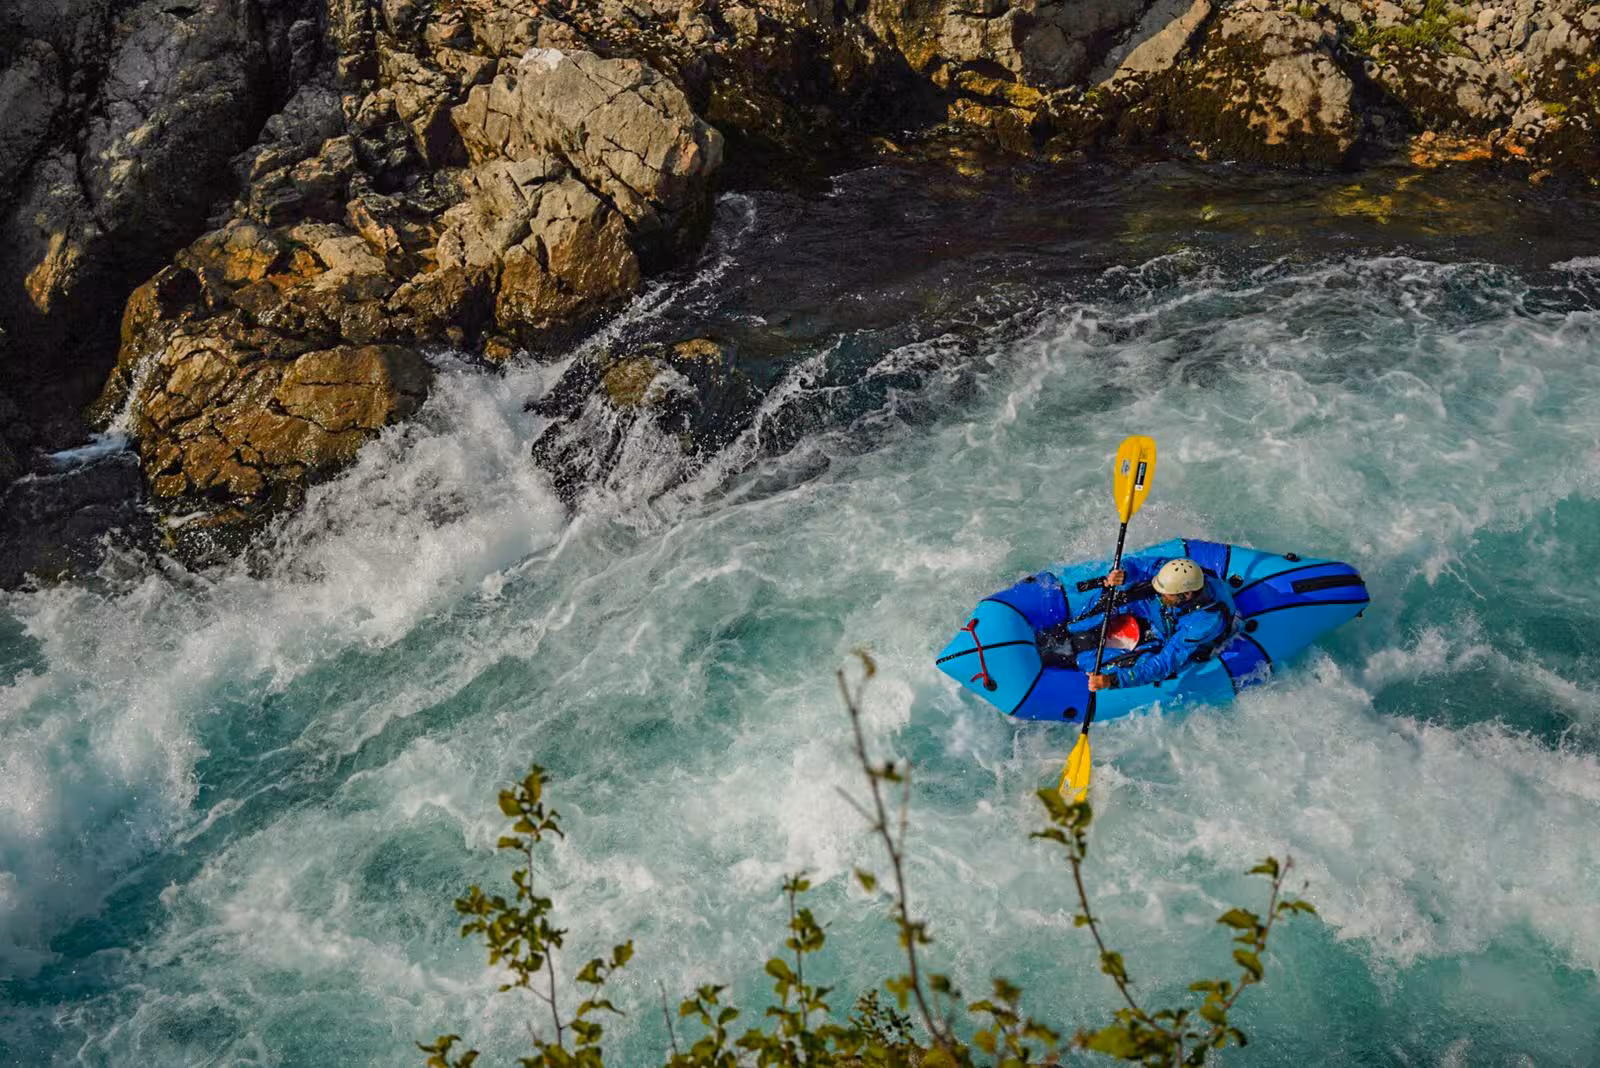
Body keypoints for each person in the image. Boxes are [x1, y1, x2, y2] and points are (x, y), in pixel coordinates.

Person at [1082, 557, 1236, 691]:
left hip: (1175, 640)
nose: (1159, 593)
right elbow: (1136, 565)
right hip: (1160, 614)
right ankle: (1073, 628)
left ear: (1186, 594)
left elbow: (1163, 664)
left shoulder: (1203, 622)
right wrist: (1122, 574)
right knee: (1113, 595)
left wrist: (1112, 680)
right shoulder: (1173, 571)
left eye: (1165, 593)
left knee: (1142, 664)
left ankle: (1087, 667)